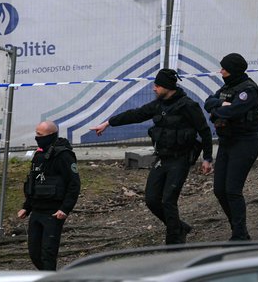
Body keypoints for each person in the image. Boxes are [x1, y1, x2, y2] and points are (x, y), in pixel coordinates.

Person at [91, 68, 213, 245]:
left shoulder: (188, 106)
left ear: (168, 86)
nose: (154, 89)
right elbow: (135, 114)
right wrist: (108, 123)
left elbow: (204, 131)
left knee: (168, 201)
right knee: (152, 200)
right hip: (162, 159)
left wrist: (207, 158)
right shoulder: (158, 105)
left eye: (157, 85)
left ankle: (174, 243)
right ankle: (178, 227)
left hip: (181, 159)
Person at [204, 53, 258, 241]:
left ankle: (239, 234)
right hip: (226, 143)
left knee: (232, 190)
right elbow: (208, 103)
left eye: (224, 69)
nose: (221, 72)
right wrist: (220, 104)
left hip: (244, 143)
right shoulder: (227, 87)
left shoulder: (249, 90)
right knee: (219, 190)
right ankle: (239, 230)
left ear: (234, 71)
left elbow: (233, 111)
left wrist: (220, 110)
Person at [17, 121, 81, 270]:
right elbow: (33, 182)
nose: (36, 137)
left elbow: (74, 184)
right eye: (36, 134)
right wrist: (26, 207)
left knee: (48, 254)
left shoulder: (63, 156)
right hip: (37, 211)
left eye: (40, 135)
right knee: (34, 253)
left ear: (51, 135)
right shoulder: (38, 155)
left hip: (53, 213)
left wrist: (65, 209)